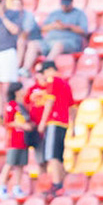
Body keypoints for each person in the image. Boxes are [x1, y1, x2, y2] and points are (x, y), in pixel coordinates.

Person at [24, 58, 74, 194]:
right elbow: (71, 106)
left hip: (54, 121)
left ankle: (57, 185)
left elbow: (50, 102)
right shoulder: (65, 83)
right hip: (63, 122)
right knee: (58, 154)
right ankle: (60, 184)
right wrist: (73, 125)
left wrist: (42, 122)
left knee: (53, 155)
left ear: (49, 70)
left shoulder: (53, 81)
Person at [40, 0, 91, 65]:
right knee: (33, 45)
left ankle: (46, 65)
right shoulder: (54, 13)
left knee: (58, 45)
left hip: (69, 42)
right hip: (49, 41)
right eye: (63, 4)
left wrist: (67, 27)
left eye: (67, 5)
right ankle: (25, 69)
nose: (65, 6)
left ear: (71, 2)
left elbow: (84, 31)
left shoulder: (79, 14)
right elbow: (43, 29)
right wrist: (54, 26)